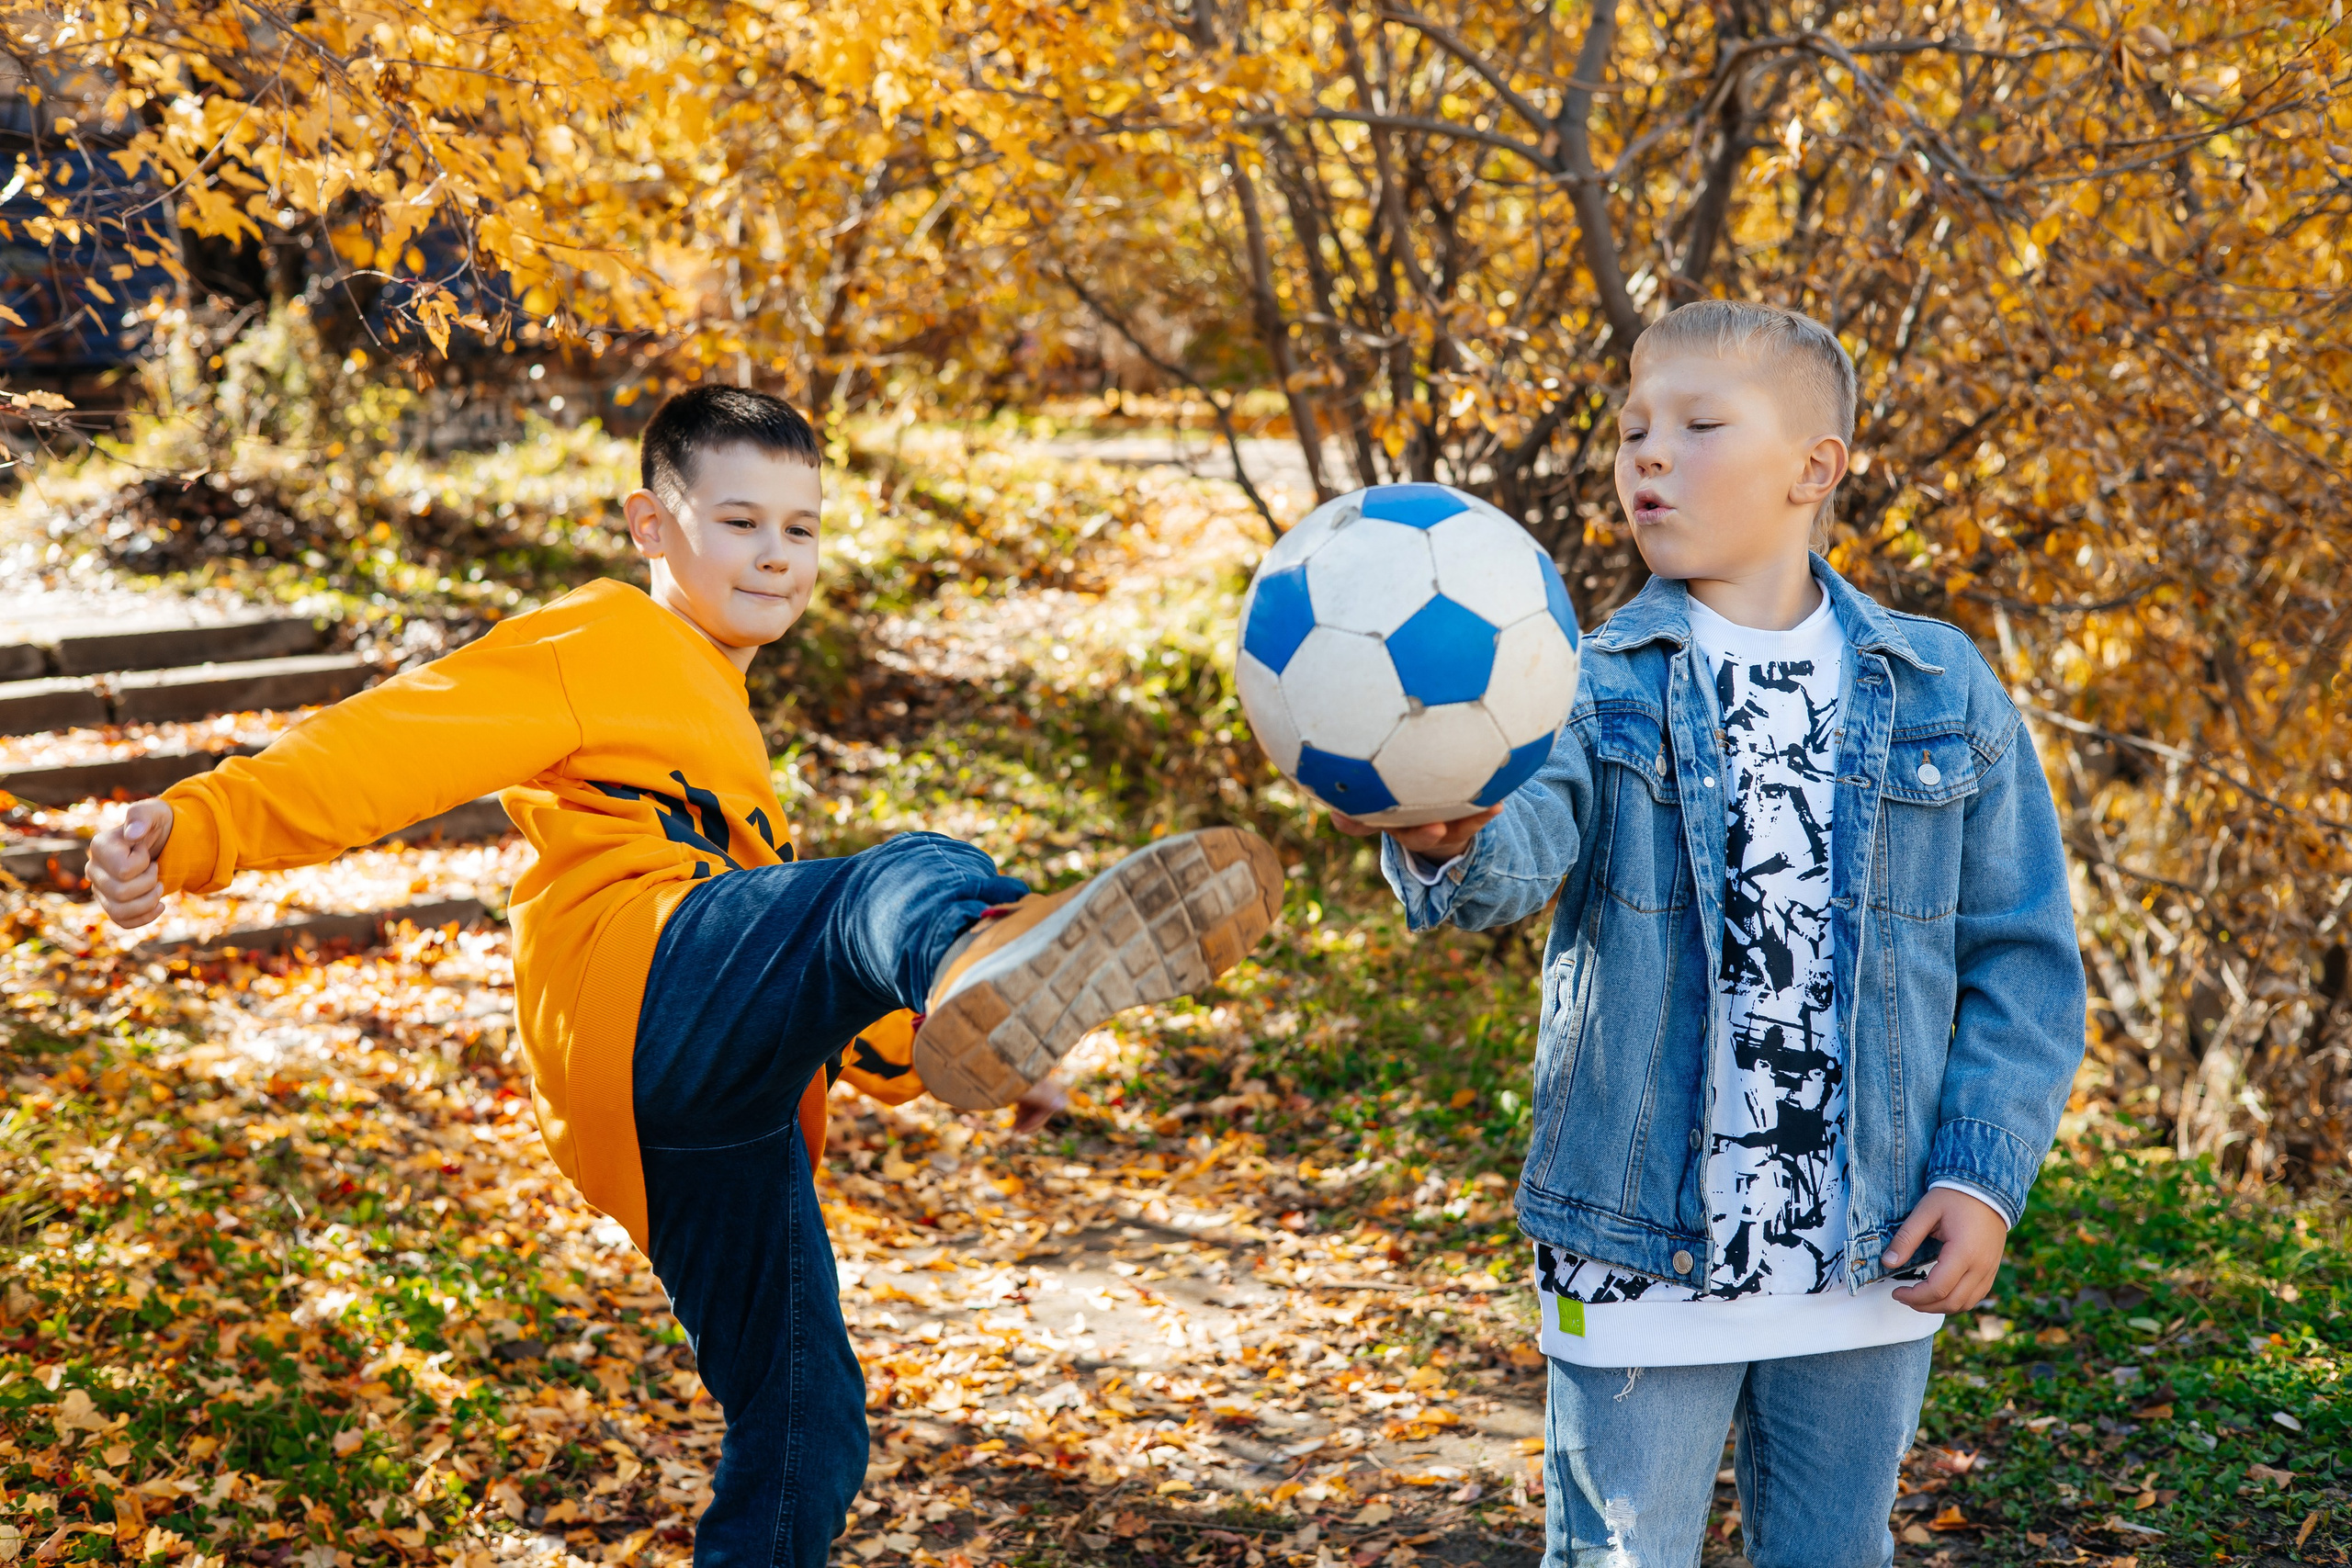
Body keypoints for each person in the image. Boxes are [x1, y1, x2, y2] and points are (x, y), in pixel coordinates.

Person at [84, 386, 1283, 1567]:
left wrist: (949, 1044)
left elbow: (811, 972)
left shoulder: (729, 740)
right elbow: (392, 739)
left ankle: (971, 970)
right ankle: (975, 943)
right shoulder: (600, 638)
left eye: (801, 528)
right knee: (904, 873)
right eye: (740, 521)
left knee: (808, 1423)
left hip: (712, 1116)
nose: (776, 556)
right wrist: (191, 830)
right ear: (652, 527)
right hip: (637, 978)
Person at [1336, 301, 2085, 1568]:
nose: (1646, 454)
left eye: (1695, 424)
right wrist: (1442, 828)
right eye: (1632, 429)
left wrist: (1978, 1176)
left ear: (1813, 467)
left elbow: (2021, 950)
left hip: (1866, 1254)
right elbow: (1516, 860)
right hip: (1634, 1252)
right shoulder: (1581, 680)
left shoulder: (1940, 687)